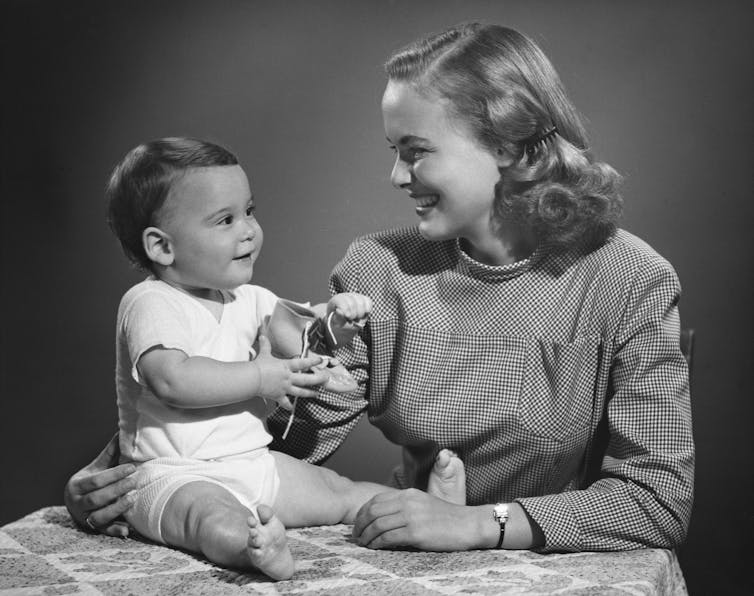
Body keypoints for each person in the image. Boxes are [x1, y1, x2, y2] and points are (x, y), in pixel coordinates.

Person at [65, 23, 694, 555]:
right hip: (412, 551)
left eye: (416, 152)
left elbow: (657, 502)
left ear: (513, 149)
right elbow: (290, 446)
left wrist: (479, 525)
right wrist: (131, 472)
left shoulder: (631, 280)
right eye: (394, 150)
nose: (396, 175)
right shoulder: (377, 270)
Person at [77, 137, 465, 580]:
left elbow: (303, 339)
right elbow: (173, 380)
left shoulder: (251, 298)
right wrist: (261, 376)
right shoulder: (150, 303)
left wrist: (337, 322)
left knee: (339, 491)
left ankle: (431, 512)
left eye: (250, 211)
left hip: (253, 461)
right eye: (225, 219)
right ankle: (254, 549)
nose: (248, 230)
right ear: (162, 247)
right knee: (208, 518)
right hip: (173, 474)